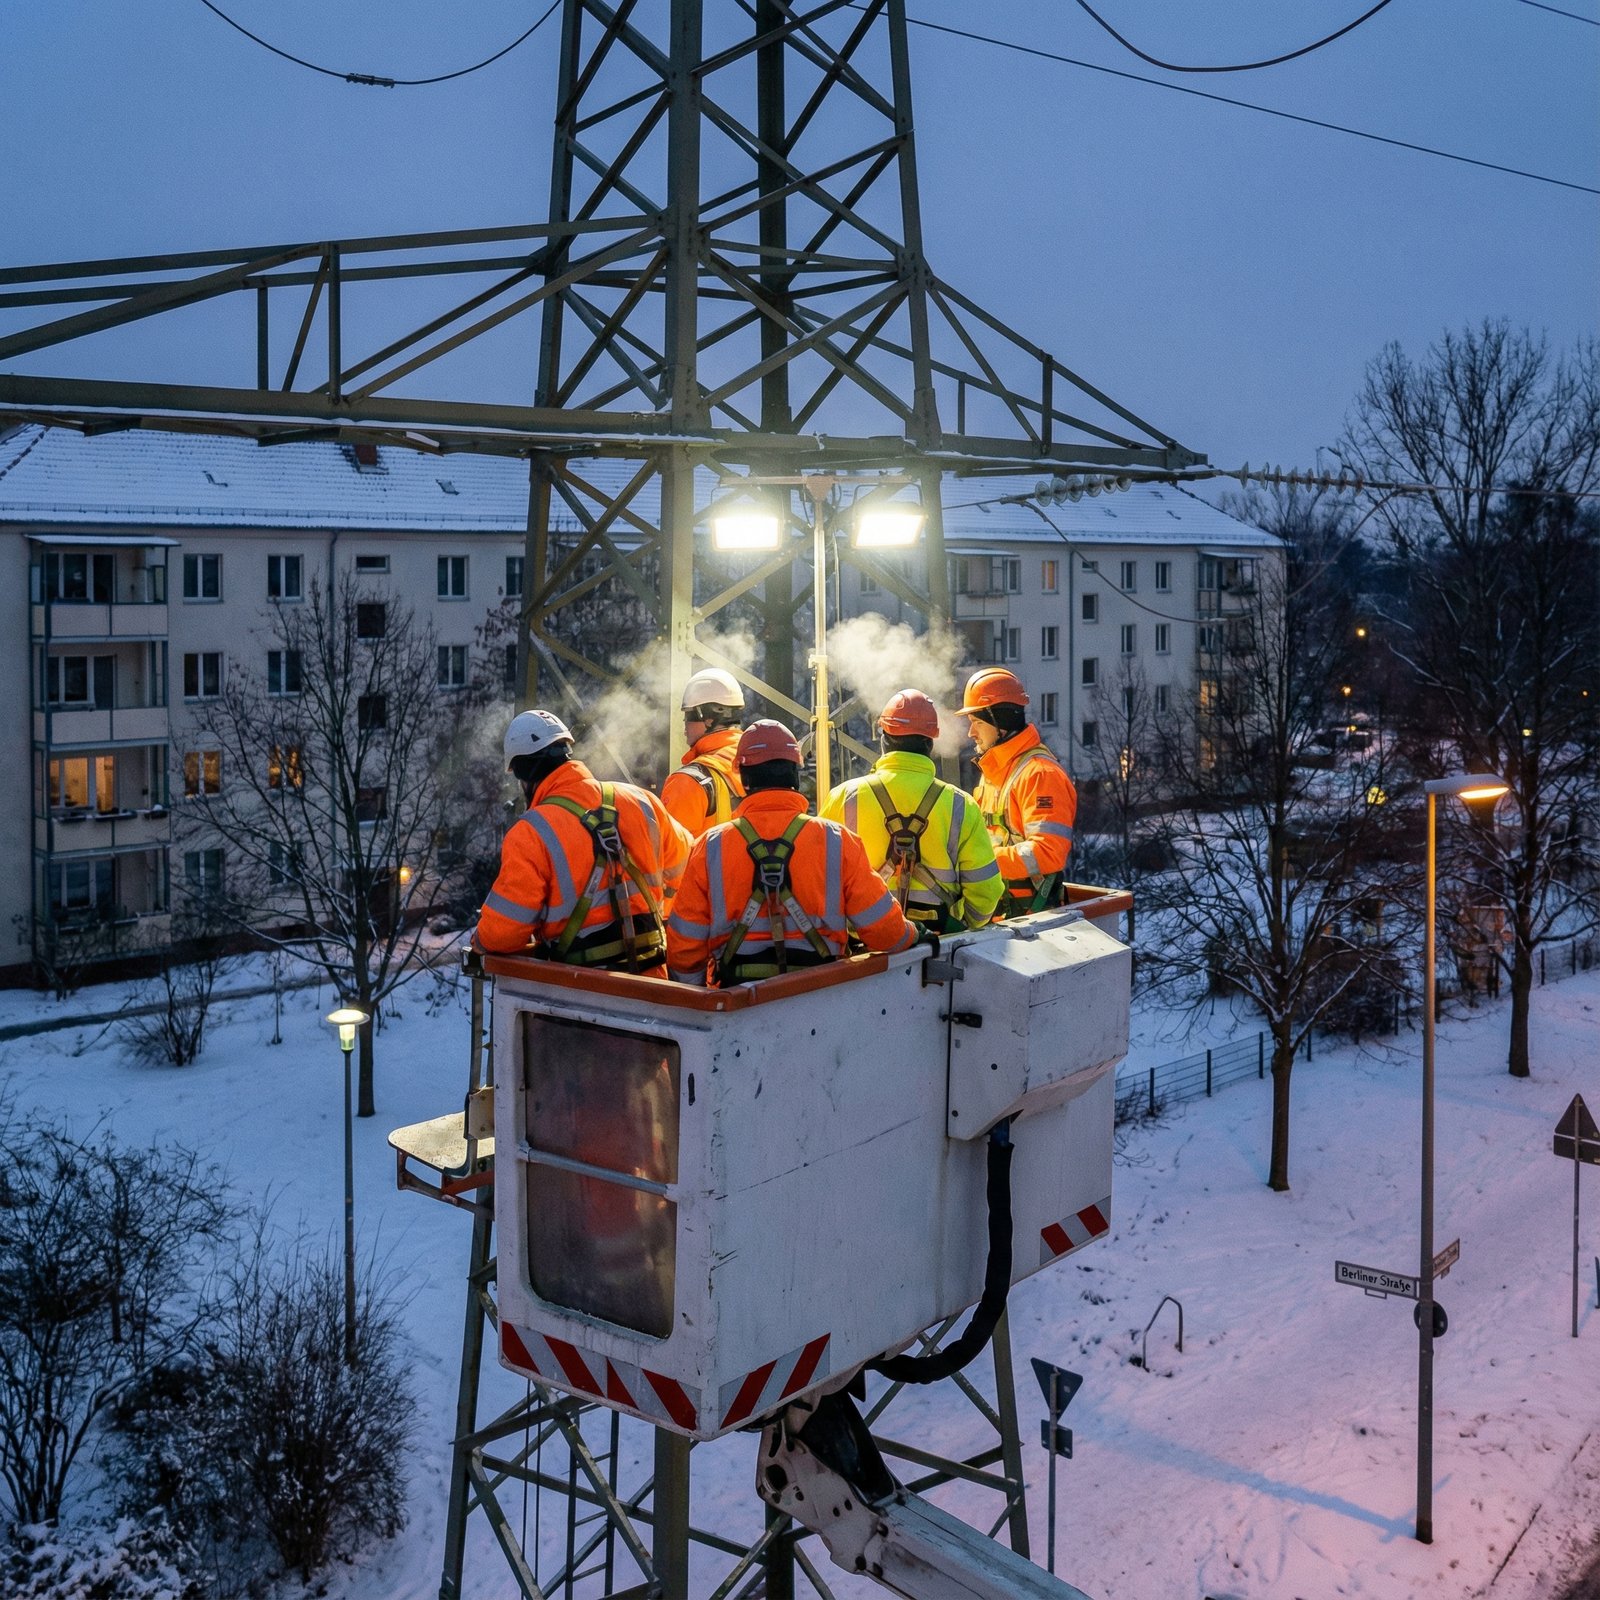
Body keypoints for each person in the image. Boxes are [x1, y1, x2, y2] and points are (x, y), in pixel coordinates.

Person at [667, 720, 917, 987]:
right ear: (795, 775)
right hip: (820, 999)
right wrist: (914, 934)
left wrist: (695, 994)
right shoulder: (837, 840)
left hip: (737, 1004)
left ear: (744, 778)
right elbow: (886, 932)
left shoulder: (711, 846)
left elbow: (685, 944)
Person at [475, 709, 691, 973]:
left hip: (583, 995)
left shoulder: (531, 832)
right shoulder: (642, 801)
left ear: (523, 775)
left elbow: (502, 935)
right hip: (654, 985)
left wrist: (481, 940)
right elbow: (691, 872)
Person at [820, 688, 1002, 934]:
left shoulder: (844, 797)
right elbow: (985, 889)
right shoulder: (961, 805)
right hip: (939, 945)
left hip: (864, 950)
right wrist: (962, 928)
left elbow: (819, 879)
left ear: (884, 738)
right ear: (930, 743)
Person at [958, 667, 1078, 917]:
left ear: (1000, 724)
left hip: (1032, 921)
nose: (971, 733)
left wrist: (978, 862)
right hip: (1002, 916)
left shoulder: (1040, 774)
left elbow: (1048, 852)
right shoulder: (994, 773)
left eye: (977, 722)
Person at [661, 666, 746, 839]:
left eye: (688, 715)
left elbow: (670, 858)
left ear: (708, 719)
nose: (684, 724)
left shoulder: (687, 782)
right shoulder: (760, 764)